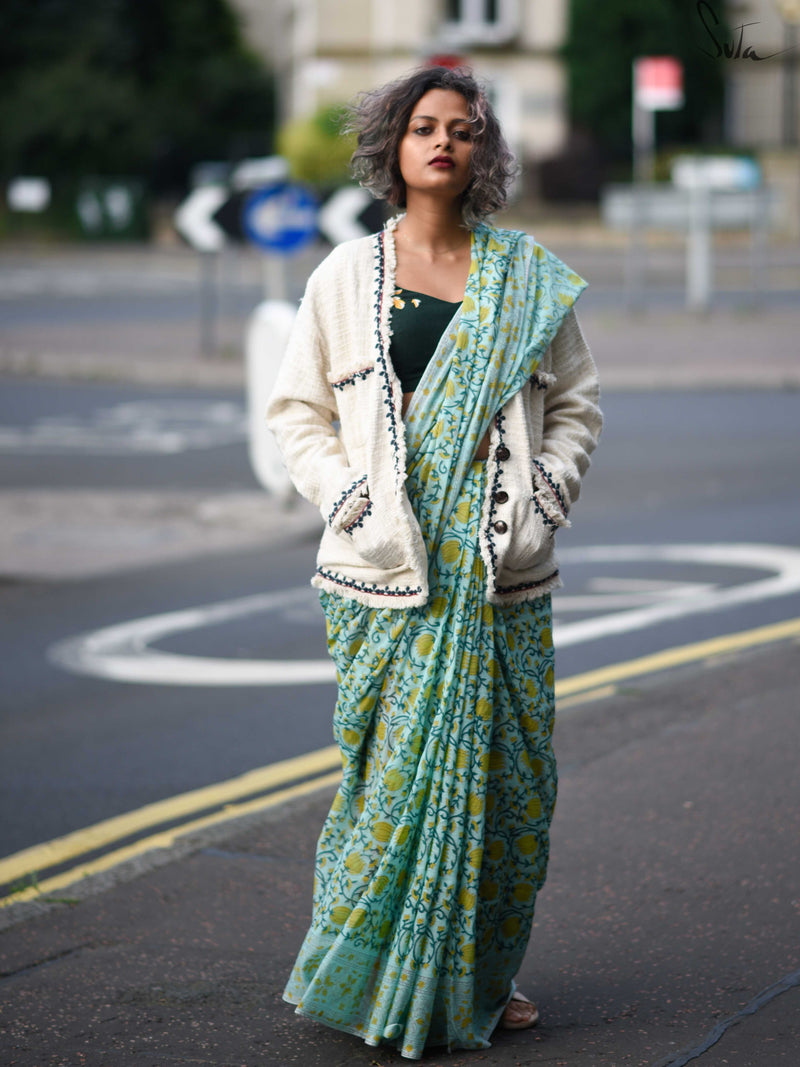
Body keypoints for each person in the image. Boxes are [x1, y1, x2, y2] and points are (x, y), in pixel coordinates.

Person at [265, 65, 602, 1059]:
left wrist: (542, 496)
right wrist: (350, 497)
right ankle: (374, 977)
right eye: (424, 126)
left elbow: (576, 404)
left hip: (501, 580)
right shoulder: (343, 278)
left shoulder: (526, 277)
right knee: (392, 788)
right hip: (388, 573)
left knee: (505, 786)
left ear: (483, 150)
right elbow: (297, 412)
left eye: (462, 128)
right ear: (393, 146)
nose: (443, 142)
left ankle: (480, 980)